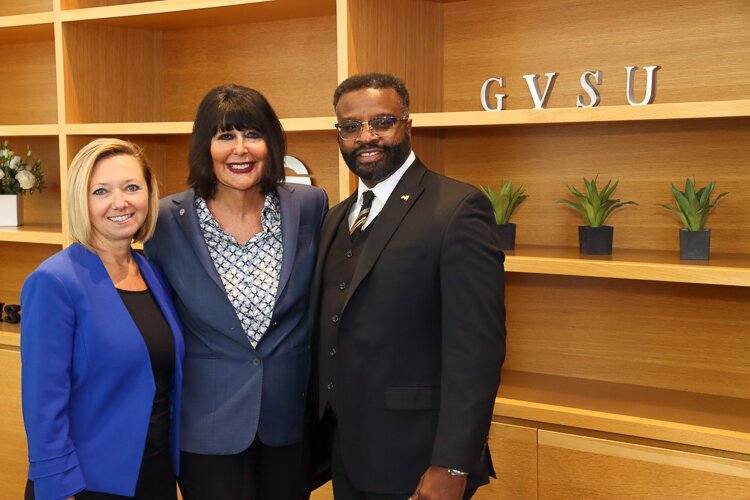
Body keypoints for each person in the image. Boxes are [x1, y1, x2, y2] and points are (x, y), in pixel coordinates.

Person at [310, 73, 506, 499]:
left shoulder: (456, 209)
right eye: (351, 126)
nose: (367, 136)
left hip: (419, 458)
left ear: (407, 125)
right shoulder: (334, 217)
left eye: (382, 122)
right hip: (347, 451)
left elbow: (476, 352)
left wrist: (453, 464)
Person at [144, 84, 328, 500]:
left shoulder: (310, 205)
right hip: (206, 425)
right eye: (225, 135)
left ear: (272, 143)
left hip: (289, 420)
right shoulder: (165, 222)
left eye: (253, 134)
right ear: (204, 146)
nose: (240, 149)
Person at [21, 138, 185, 500]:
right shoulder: (54, 281)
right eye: (101, 191)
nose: (120, 202)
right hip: (86, 483)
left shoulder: (152, 272)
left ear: (148, 194)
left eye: (131, 187)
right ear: (82, 200)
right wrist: (57, 487)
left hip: (153, 474)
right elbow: (42, 403)